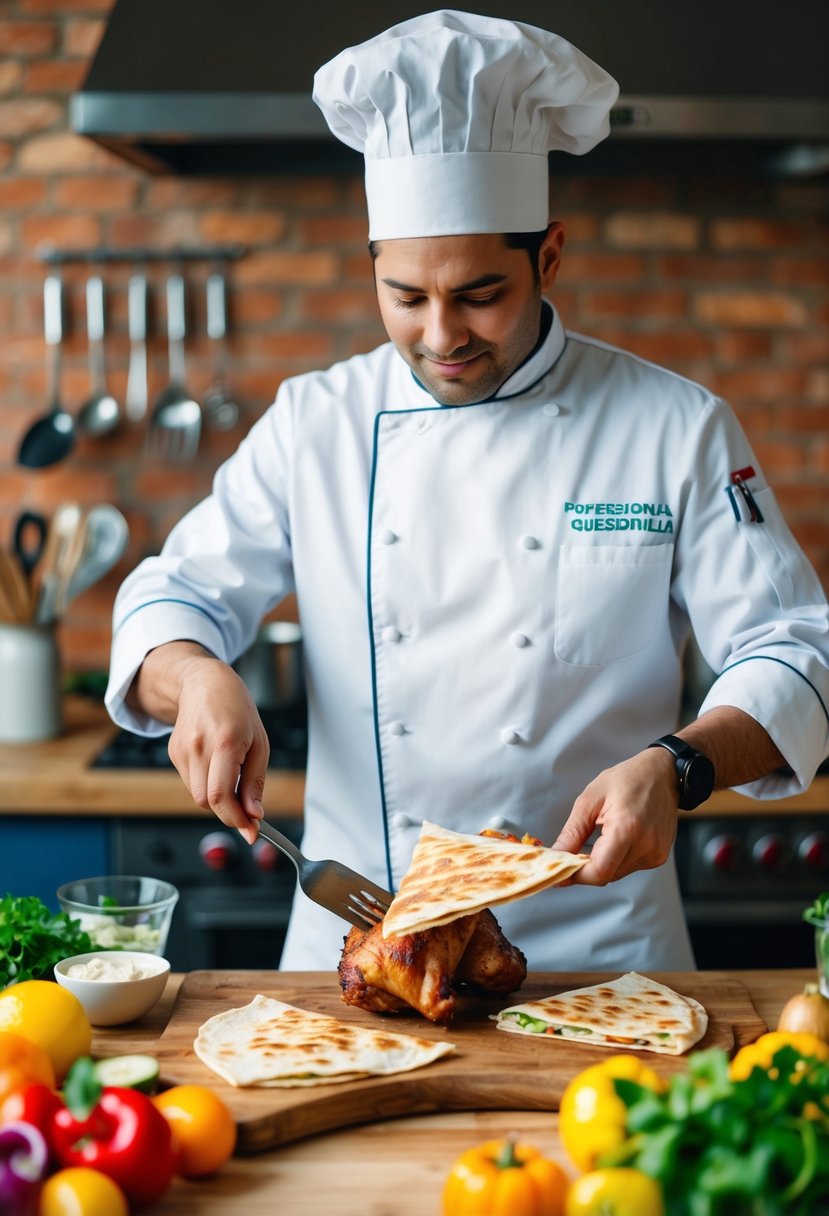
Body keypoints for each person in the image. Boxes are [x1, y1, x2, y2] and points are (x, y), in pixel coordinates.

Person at [106, 10, 829, 973]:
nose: (442, 334)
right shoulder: (315, 422)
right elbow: (169, 598)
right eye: (405, 296)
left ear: (550, 256)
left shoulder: (674, 426)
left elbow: (795, 647)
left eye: (480, 292)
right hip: (364, 943)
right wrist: (196, 676)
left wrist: (680, 765)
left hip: (601, 948)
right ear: (373, 269)